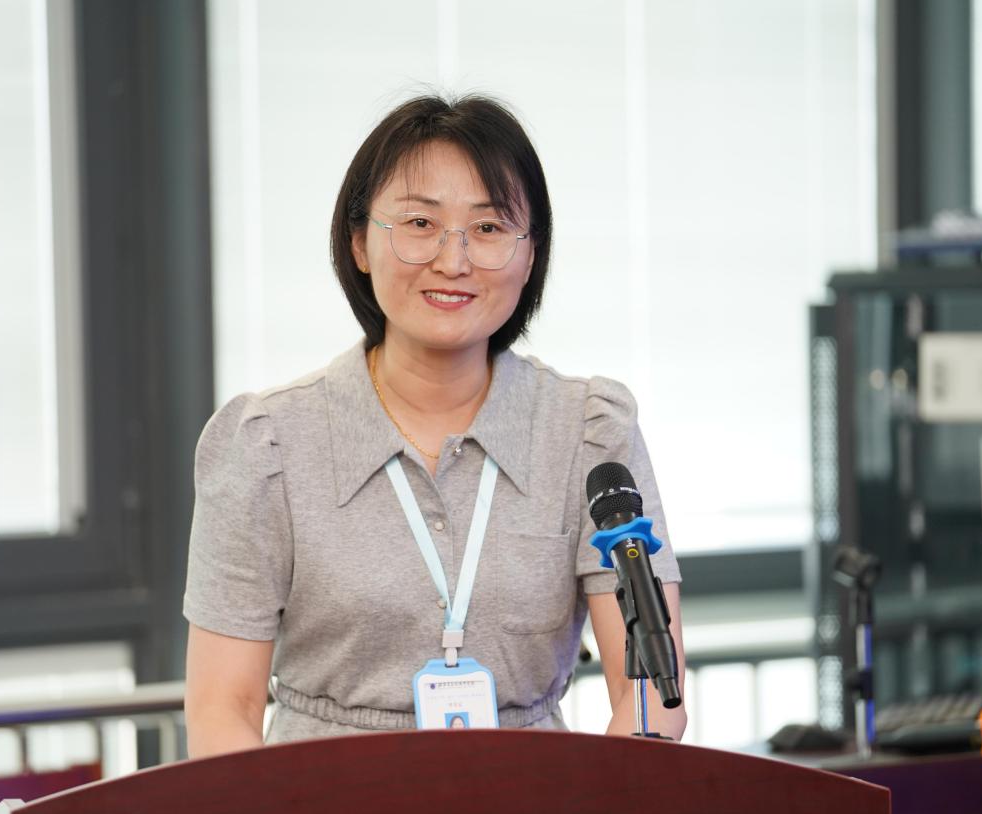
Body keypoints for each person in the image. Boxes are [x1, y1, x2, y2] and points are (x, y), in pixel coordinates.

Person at [184, 94, 685, 756]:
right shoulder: (267, 442)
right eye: (420, 222)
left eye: (488, 227)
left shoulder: (589, 434)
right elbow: (223, 708)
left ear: (530, 254)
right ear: (359, 243)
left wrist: (602, 805)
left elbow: (650, 698)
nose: (454, 260)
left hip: (536, 800)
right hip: (319, 803)